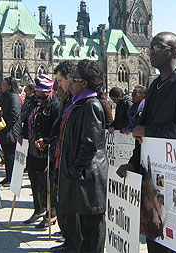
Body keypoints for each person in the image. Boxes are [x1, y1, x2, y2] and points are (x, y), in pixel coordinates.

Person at [117, 31, 176, 253]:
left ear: (174, 52)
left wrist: (147, 130)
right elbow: (141, 136)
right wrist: (133, 163)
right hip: (152, 177)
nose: (150, 52)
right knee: (155, 238)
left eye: (157, 47)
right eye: (150, 47)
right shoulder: (155, 86)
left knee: (175, 242)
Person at [55, 59, 108, 252]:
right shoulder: (77, 104)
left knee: (92, 230)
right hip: (81, 175)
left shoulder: (91, 105)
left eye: (74, 79)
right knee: (84, 230)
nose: (70, 82)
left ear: (84, 83)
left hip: (89, 176)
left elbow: (90, 144)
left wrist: (75, 169)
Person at [20, 74, 60, 229]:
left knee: (48, 184)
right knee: (34, 181)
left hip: (47, 152)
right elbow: (27, 121)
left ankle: (51, 213)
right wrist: (22, 134)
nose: (40, 100)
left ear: (49, 93)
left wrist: (47, 141)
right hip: (32, 150)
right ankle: (39, 209)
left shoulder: (55, 106)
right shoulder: (34, 104)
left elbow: (57, 132)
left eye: (42, 97)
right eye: (38, 96)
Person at [52, 60, 77, 248]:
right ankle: (68, 242)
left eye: (60, 81)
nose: (57, 85)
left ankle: (73, 244)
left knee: (73, 209)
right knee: (63, 205)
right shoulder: (68, 100)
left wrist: (75, 168)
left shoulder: (83, 102)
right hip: (62, 160)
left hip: (72, 165)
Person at [0, 77, 22, 186]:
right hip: (4, 131)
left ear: (10, 86)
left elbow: (14, 115)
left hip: (11, 131)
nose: (2, 85)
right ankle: (8, 177)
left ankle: (12, 179)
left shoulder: (14, 97)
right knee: (6, 156)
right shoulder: (3, 97)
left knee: (11, 156)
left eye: (4, 84)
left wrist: (6, 128)